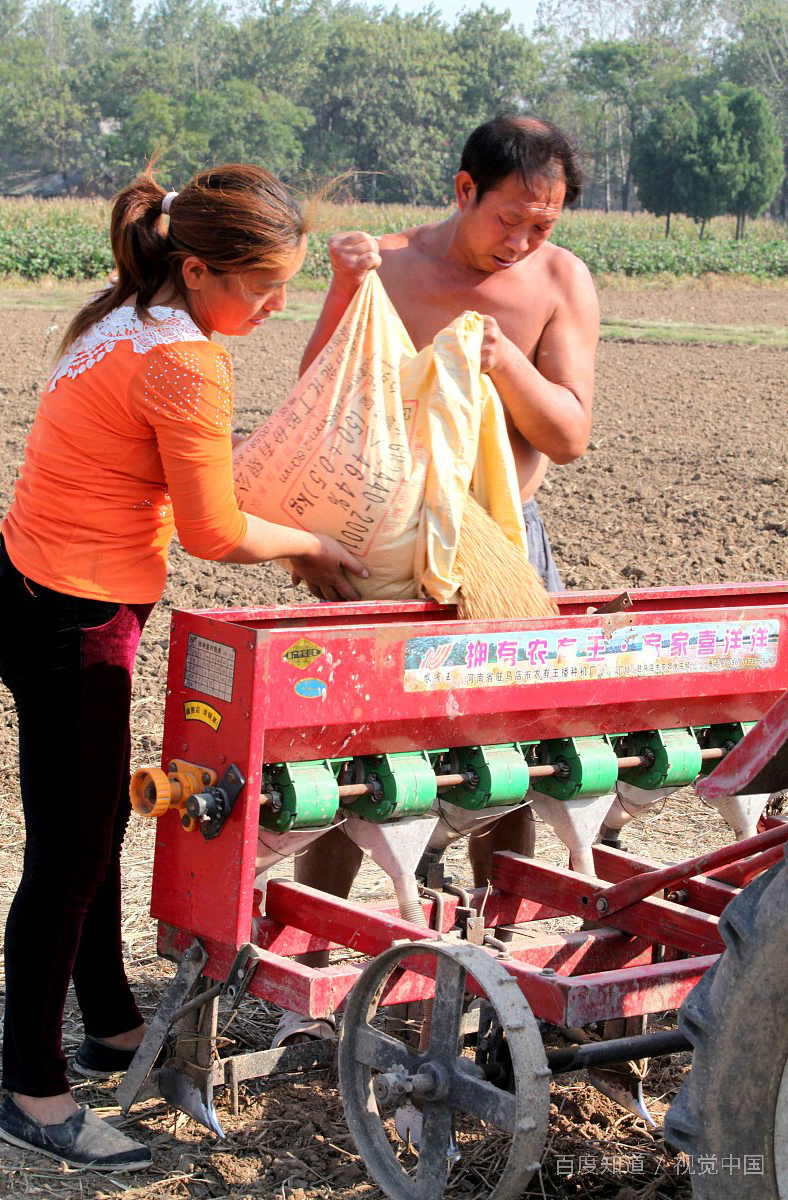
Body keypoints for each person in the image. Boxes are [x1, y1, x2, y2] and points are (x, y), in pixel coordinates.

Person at [0, 163, 366, 1171]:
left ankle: (110, 1023)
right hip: (73, 619)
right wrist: (309, 546)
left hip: (36, 593)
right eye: (263, 285)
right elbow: (209, 530)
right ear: (198, 269)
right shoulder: (183, 361)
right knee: (68, 858)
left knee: (95, 821)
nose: (276, 305)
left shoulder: (129, 315)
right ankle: (31, 1092)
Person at [291, 115, 600, 957]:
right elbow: (319, 402)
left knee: (508, 757)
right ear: (464, 190)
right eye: (510, 218)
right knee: (359, 756)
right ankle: (316, 946)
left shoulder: (561, 282)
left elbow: (569, 434)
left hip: (501, 549)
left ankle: (504, 946)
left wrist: (504, 361)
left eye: (545, 225)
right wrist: (342, 289)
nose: (524, 241)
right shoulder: (385, 267)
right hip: (388, 551)